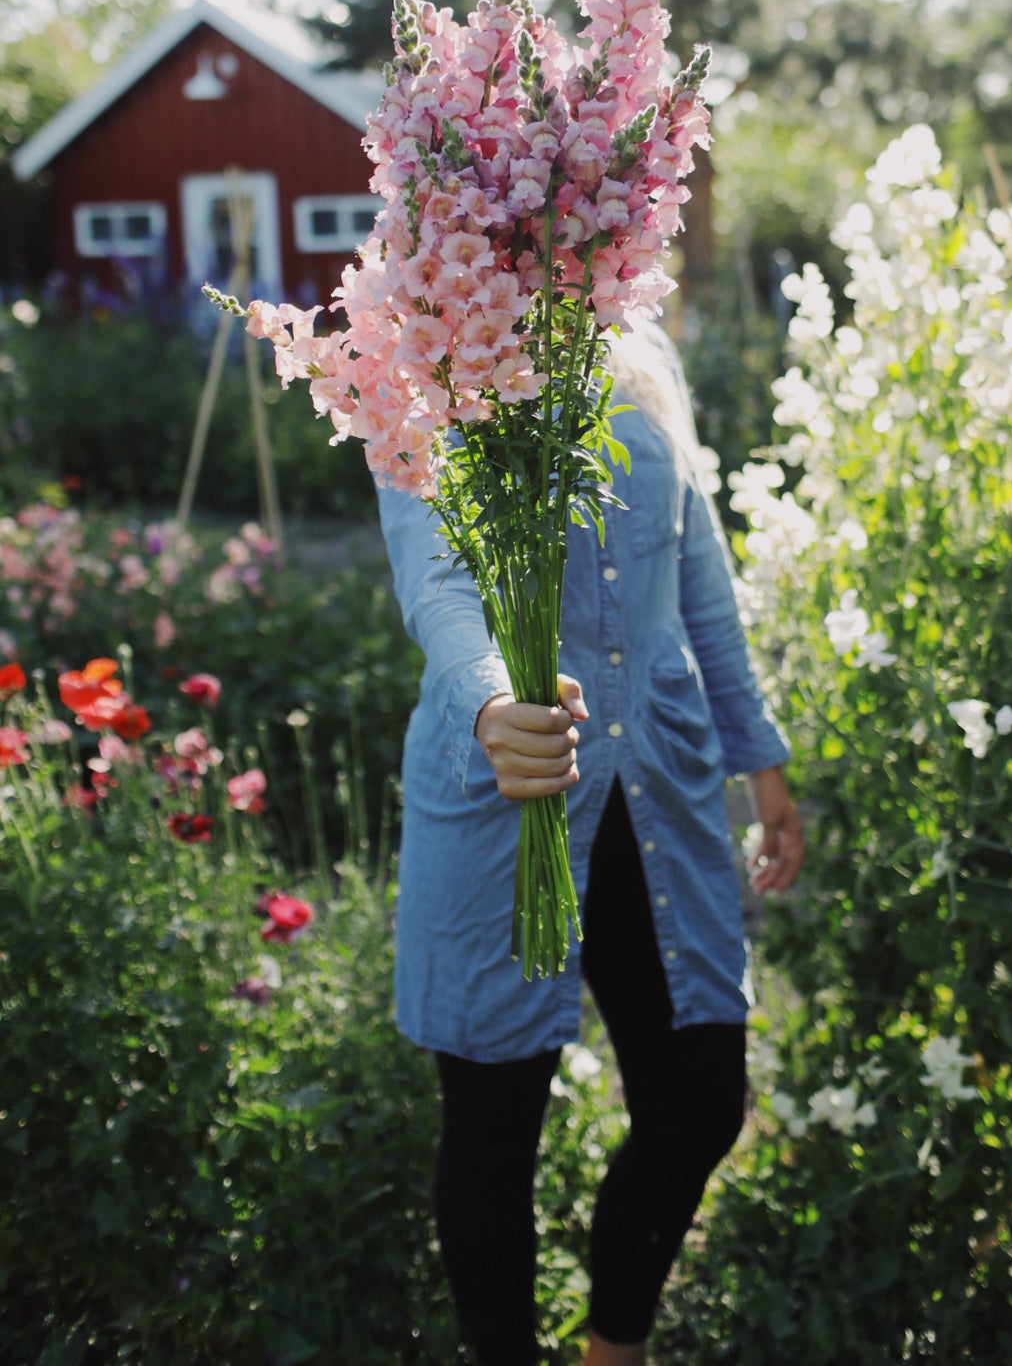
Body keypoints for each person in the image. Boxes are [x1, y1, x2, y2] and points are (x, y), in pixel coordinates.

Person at [377, 318, 804, 1366]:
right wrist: (491, 704)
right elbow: (435, 580)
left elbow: (697, 572)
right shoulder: (425, 342)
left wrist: (763, 760)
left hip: (661, 784)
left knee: (701, 1100)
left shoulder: (639, 339)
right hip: (505, 791)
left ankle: (613, 1350)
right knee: (493, 1130)